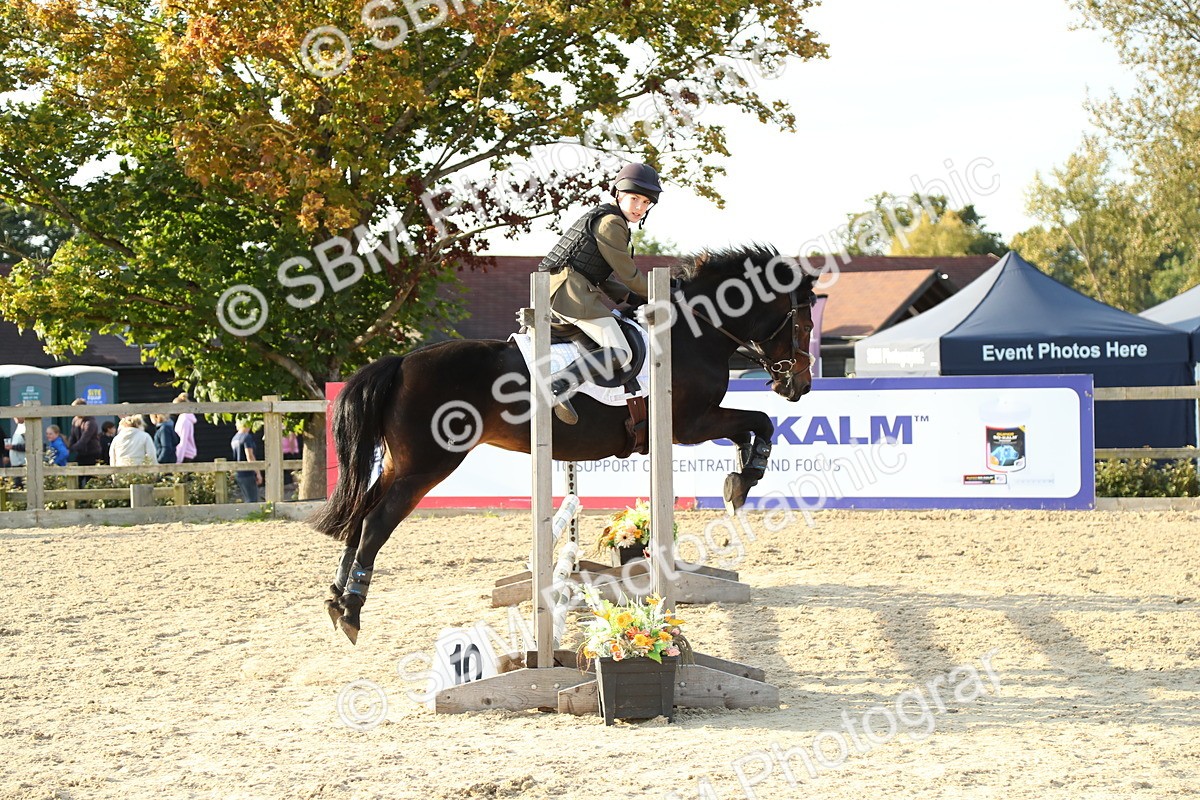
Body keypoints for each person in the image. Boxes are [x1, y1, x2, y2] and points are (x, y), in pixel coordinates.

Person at [536, 162, 662, 424]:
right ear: (618, 194)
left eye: (646, 202)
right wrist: (663, 293)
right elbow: (629, 274)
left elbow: (599, 273)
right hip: (568, 292)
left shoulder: (609, 218)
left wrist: (630, 297)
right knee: (620, 351)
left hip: (570, 286)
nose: (639, 207)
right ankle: (558, 385)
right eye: (634, 199)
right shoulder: (612, 223)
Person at [231, 419, 262, 503]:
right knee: (252, 499)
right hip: (248, 472)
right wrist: (258, 473)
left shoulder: (234, 438)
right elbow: (250, 456)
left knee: (247, 498)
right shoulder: (246, 437)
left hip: (239, 473)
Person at [67, 398, 103, 467]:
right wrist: (68, 447)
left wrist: (71, 449)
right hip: (81, 452)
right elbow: (72, 436)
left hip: (92, 453)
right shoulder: (75, 420)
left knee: (90, 476)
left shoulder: (90, 422)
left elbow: (84, 440)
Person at [172, 392, 198, 463]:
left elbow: (183, 440)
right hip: (185, 452)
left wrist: (178, 460)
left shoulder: (184, 419)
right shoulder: (183, 418)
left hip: (185, 454)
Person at [4, 417, 26, 488]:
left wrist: (13, 447)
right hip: (15, 462)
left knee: (21, 486)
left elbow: (29, 446)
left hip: (22, 463)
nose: (15, 418)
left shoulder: (26, 428)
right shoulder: (19, 427)